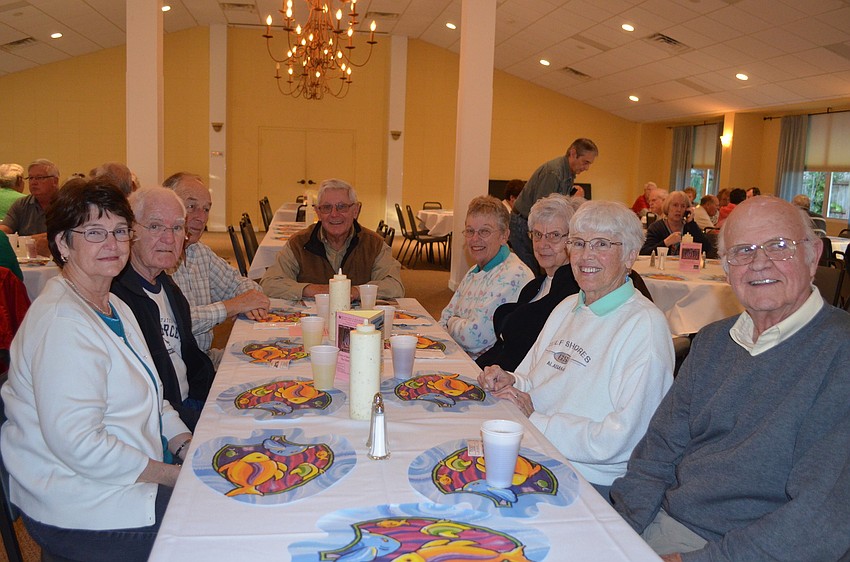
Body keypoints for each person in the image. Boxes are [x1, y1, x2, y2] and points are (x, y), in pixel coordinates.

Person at [611, 196, 850, 561]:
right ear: (725, 267)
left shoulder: (839, 355)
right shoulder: (712, 341)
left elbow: (816, 523)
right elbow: (657, 452)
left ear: (813, 254)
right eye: (742, 251)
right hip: (663, 525)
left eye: (778, 246)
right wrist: (618, 529)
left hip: (745, 549)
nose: (759, 262)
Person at [0, 178, 192, 561]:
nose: (113, 244)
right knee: (210, 529)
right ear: (62, 244)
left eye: (121, 231)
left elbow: (155, 395)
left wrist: (185, 443)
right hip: (79, 502)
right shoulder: (62, 324)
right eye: (94, 232)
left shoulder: (112, 303)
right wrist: (173, 475)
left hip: (120, 477)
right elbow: (80, 445)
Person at [478, 200, 674, 498]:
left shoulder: (644, 326)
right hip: (538, 446)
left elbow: (623, 440)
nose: (586, 256)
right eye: (579, 243)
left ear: (631, 255)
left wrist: (536, 420)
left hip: (587, 476)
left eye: (601, 244)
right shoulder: (569, 306)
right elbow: (532, 378)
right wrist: (511, 381)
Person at [110, 186, 215, 431]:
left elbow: (190, 359)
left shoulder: (167, 286)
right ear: (130, 231)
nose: (169, 239)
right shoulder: (116, 297)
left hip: (190, 402)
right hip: (164, 420)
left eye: (177, 228)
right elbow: (138, 402)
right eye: (155, 226)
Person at [165, 172, 269, 366]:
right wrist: (233, 306)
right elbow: (174, 322)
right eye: (191, 206)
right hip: (176, 369)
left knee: (271, 361)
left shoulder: (199, 252)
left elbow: (241, 284)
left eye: (206, 209)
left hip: (204, 358)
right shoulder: (157, 260)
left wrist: (250, 301)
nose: (201, 217)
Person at [476, 194, 581, 371]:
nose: (542, 244)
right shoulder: (534, 286)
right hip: (494, 373)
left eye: (554, 235)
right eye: (538, 234)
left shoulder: (572, 292)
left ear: (572, 240)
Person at [260, 178, 404, 300]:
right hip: (312, 323)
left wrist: (355, 292)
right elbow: (269, 283)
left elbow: (395, 286)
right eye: (326, 208)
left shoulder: (374, 244)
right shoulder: (299, 243)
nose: (334, 214)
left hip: (360, 325)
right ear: (318, 212)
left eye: (342, 207)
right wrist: (313, 290)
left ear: (355, 210)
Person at [441, 195, 533, 358]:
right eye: (470, 231)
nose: (475, 239)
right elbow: (443, 318)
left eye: (484, 231)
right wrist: (454, 322)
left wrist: (452, 322)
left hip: (486, 371)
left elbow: (474, 338)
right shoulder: (474, 271)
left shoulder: (513, 275)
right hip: (460, 357)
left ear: (504, 236)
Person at [508, 138, 598, 272]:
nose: (586, 168)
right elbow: (543, 210)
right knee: (533, 272)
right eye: (585, 162)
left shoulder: (567, 172)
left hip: (531, 225)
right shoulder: (554, 173)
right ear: (573, 153)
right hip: (523, 225)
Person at [0, 158, 60, 256]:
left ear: (55, 181)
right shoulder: (21, 204)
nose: (33, 182)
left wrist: (23, 240)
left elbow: (63, 234)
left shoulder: (66, 203)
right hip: (27, 261)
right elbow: (3, 232)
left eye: (39, 178)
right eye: (31, 178)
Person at [641, 190, 714, 257]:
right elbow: (645, 252)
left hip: (685, 268)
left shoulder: (689, 227)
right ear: (668, 207)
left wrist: (691, 223)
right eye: (675, 205)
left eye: (683, 206)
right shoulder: (656, 227)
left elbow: (707, 249)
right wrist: (666, 243)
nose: (679, 209)